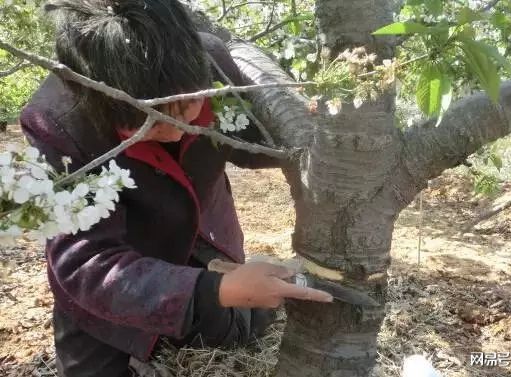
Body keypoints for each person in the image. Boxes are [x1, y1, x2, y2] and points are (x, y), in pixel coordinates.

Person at [19, 1, 333, 376]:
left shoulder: (209, 63)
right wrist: (214, 291)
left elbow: (251, 143)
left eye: (190, 110)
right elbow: (87, 262)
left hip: (201, 241)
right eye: (151, 124)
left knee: (237, 329)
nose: (179, 131)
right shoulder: (58, 122)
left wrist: (313, 131)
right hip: (113, 279)